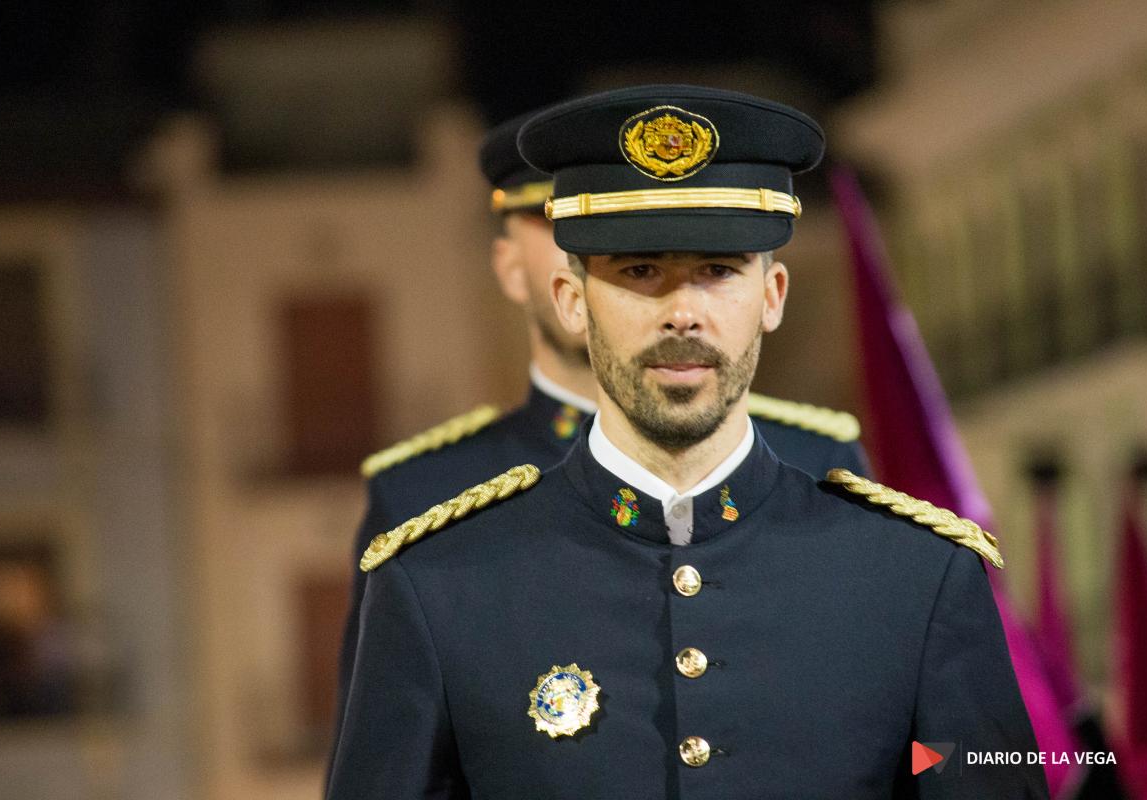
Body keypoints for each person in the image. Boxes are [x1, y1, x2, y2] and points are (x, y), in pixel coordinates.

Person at [326, 85, 1047, 799]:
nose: (682, 313)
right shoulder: (437, 589)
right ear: (572, 302)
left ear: (773, 296)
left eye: (718, 270)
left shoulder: (920, 580)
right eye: (639, 271)